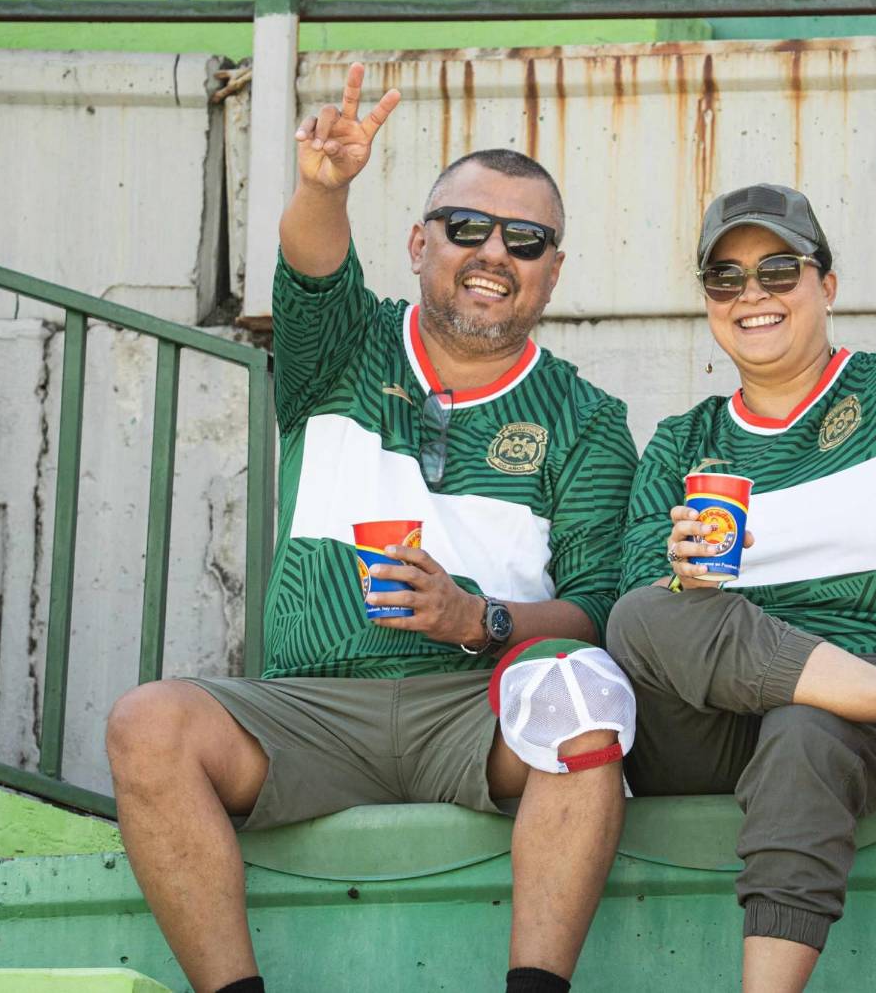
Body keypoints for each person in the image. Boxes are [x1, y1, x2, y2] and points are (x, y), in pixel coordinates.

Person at [106, 63, 639, 993]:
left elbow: (596, 609)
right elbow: (311, 265)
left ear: (554, 269)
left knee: (588, 702)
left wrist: (477, 619)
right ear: (417, 242)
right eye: (466, 228)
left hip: (474, 709)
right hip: (312, 708)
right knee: (148, 723)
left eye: (525, 239)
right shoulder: (344, 346)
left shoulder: (588, 418)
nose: (492, 253)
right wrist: (325, 187)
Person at [607, 123, 876, 993]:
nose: (754, 293)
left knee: (806, 729)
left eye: (780, 270)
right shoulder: (685, 441)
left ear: (827, 284)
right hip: (732, 722)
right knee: (640, 613)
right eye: (728, 276)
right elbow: (639, 605)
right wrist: (682, 576)